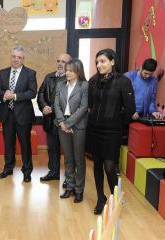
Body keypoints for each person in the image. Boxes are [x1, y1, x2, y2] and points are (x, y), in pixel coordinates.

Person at [88, 48, 135, 215]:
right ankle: (101, 198)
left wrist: (118, 125)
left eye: (103, 61)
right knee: (97, 165)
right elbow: (90, 104)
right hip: (94, 130)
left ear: (112, 61)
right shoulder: (93, 81)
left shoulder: (123, 81)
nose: (99, 65)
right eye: (97, 62)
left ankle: (115, 198)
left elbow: (130, 108)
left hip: (113, 132)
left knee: (109, 166)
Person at [0, 46, 37, 182]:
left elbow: (32, 92)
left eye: (19, 57)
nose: (16, 59)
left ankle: (27, 171)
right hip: (7, 114)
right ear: (11, 57)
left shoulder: (30, 73)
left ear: (23, 59)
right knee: (8, 144)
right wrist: (4, 95)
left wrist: (15, 96)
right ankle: (8, 168)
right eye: (14, 56)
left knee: (25, 144)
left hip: (23, 115)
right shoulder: (3, 72)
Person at [54, 59, 88, 203]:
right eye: (66, 70)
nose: (66, 72)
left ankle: (79, 190)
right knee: (68, 158)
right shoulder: (60, 85)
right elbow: (56, 105)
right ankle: (70, 186)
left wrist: (68, 124)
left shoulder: (84, 86)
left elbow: (83, 107)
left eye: (70, 70)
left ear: (78, 72)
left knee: (79, 159)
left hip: (78, 126)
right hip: (63, 125)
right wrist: (62, 122)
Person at [37, 53, 72, 188]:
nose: (60, 63)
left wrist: (56, 109)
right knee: (52, 149)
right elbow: (40, 94)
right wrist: (43, 106)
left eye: (63, 61)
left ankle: (69, 177)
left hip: (65, 121)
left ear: (69, 64)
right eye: (58, 60)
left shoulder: (71, 79)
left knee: (68, 151)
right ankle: (54, 172)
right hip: (50, 121)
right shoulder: (49, 77)